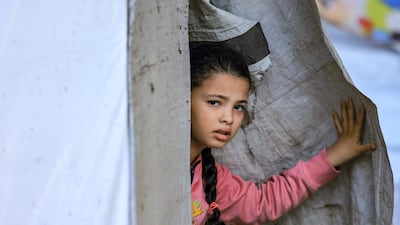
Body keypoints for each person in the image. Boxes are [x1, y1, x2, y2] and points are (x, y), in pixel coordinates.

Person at [189, 42, 377, 225]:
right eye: (214, 102)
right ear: (184, 98)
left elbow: (261, 204)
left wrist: (334, 156)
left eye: (238, 107)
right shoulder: (161, 164)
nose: (229, 118)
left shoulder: (210, 177)